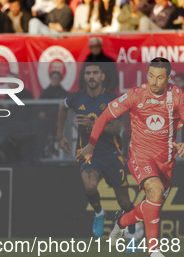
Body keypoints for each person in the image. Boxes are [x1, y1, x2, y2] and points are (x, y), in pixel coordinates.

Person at [77, 58, 184, 257]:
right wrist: (91, 144)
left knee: (151, 204)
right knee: (156, 191)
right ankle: (153, 251)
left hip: (166, 161)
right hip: (140, 156)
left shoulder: (177, 96)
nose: (154, 81)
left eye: (160, 77)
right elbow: (105, 116)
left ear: (169, 78)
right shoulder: (136, 95)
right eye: (151, 75)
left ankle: (122, 221)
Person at [57, 62, 140, 238]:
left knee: (124, 202)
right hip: (89, 152)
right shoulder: (76, 98)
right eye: (88, 73)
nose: (92, 76)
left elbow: (117, 128)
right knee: (89, 186)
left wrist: (94, 124)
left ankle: (132, 234)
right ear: (85, 77)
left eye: (95, 73)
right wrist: (60, 135)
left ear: (102, 76)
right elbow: (62, 107)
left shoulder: (111, 99)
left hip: (111, 154)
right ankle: (99, 212)